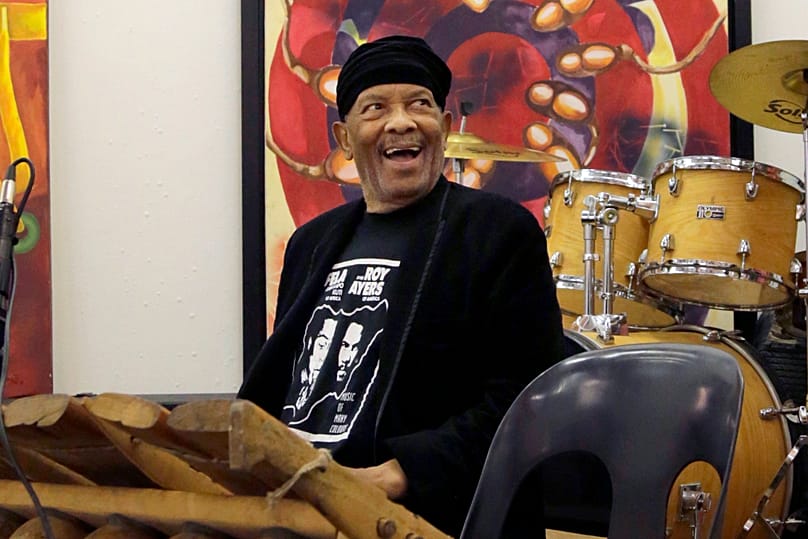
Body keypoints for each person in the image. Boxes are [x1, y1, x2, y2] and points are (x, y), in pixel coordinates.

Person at [238, 34, 563, 535]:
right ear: (345, 138)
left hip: (415, 513)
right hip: (293, 502)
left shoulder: (497, 231)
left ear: (446, 127)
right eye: (375, 108)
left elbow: (531, 395)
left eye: (420, 104)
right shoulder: (310, 244)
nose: (401, 121)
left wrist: (402, 471)